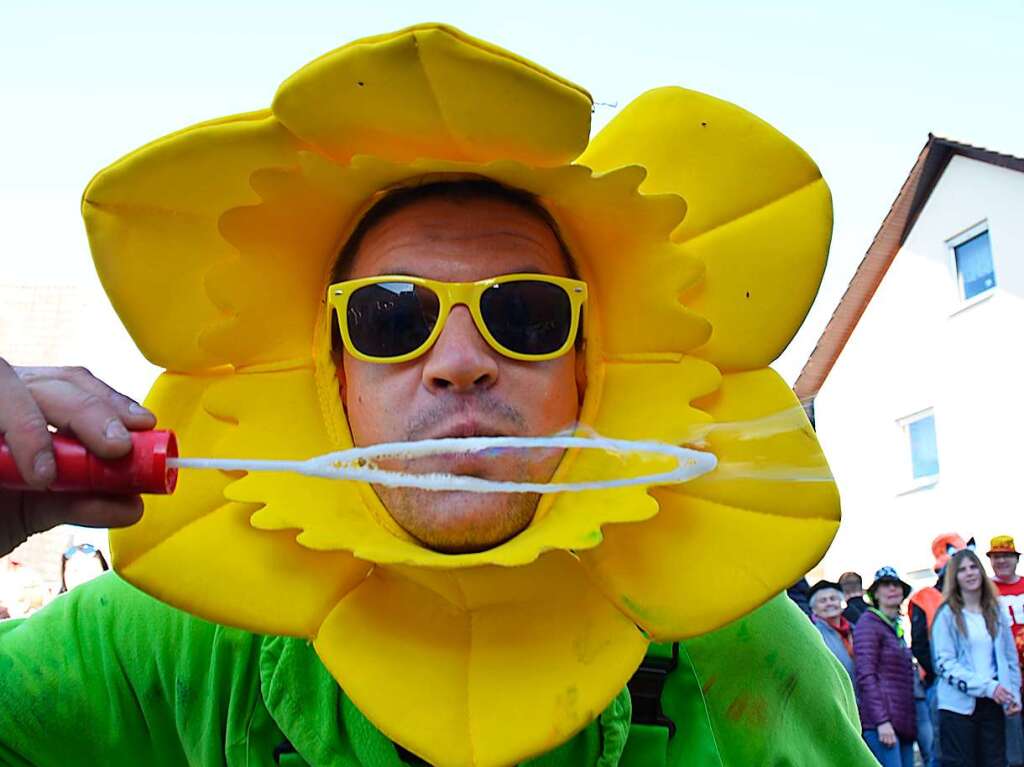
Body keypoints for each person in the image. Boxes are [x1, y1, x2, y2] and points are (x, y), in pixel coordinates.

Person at [0, 23, 875, 767]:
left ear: (589, 366)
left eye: (526, 313)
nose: (460, 361)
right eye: (391, 317)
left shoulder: (746, 656)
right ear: (331, 372)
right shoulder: (163, 640)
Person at [933, 548, 1021, 767]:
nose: (970, 573)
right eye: (962, 570)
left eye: (973, 567)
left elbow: (1009, 658)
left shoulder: (995, 610)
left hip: (993, 705)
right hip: (957, 709)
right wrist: (987, 687)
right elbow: (944, 664)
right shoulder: (946, 614)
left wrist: (1013, 695)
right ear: (955, 577)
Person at [911, 532, 969, 767]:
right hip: (940, 684)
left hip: (974, 682)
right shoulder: (923, 598)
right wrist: (940, 674)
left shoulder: (971, 597)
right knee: (944, 748)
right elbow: (919, 644)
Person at [854, 566, 917, 766]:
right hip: (882, 725)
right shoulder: (868, 623)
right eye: (886, 585)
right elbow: (866, 675)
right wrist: (881, 722)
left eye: (896, 585)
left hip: (902, 722)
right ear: (876, 593)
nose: (892, 589)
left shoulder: (894, 627)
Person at [987, 535, 1024, 766]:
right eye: (996, 556)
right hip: (1004, 673)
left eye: (1006, 556)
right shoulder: (986, 590)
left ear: (1016, 559)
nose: (1001, 561)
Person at [810, 579, 855, 679]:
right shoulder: (814, 635)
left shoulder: (854, 630)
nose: (829, 603)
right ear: (813, 608)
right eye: (823, 601)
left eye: (833, 598)